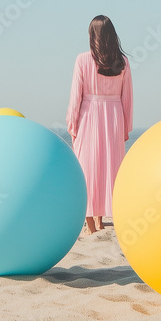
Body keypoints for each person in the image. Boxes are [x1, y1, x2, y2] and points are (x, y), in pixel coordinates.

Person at [66, 15, 133, 235]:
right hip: (114, 115)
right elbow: (127, 98)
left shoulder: (82, 60)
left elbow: (76, 97)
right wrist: (125, 127)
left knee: (88, 167)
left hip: (89, 115)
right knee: (108, 167)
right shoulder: (122, 62)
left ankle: (91, 225)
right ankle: (101, 219)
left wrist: (72, 124)